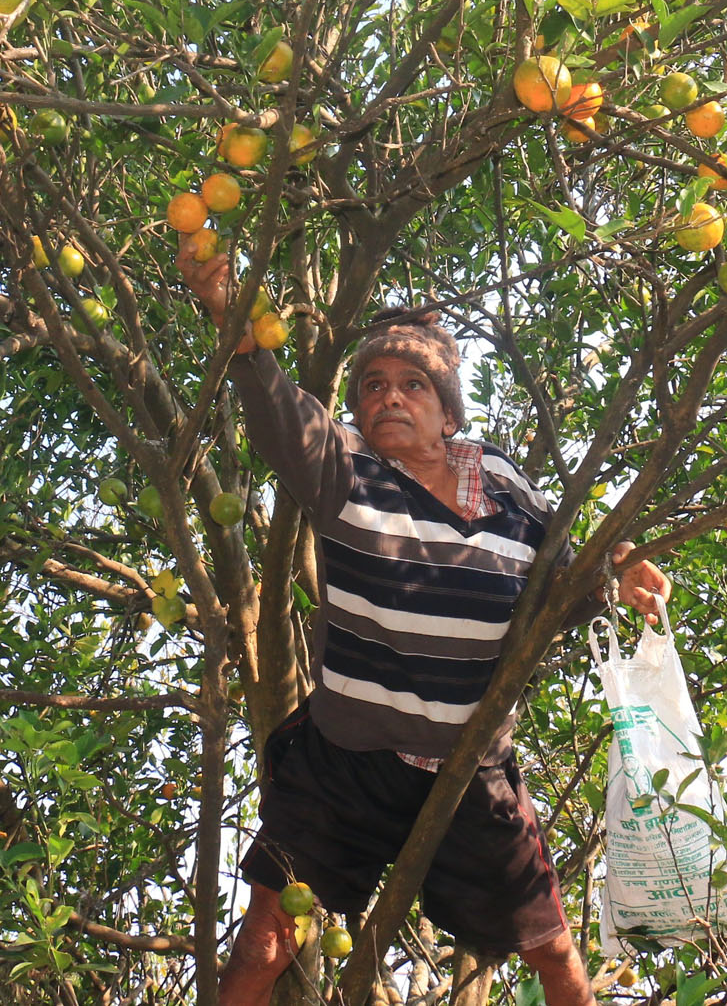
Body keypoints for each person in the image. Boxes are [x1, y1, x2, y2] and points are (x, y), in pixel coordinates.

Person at [176, 240, 670, 1006]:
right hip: (348, 762)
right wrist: (229, 311)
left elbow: (572, 568)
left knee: (553, 950)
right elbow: (280, 414)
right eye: (372, 385)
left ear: (448, 410)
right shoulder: (347, 473)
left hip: (472, 768)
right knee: (267, 938)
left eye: (412, 385)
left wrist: (624, 562)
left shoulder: (501, 477)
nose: (388, 398)